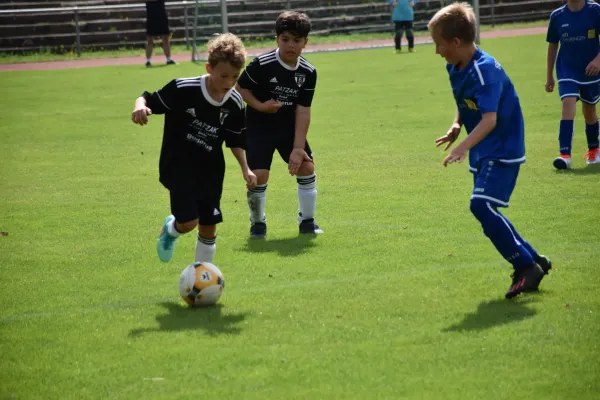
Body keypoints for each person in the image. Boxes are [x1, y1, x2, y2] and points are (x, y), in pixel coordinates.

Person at [428, 2, 552, 299]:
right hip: (483, 147)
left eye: (439, 44)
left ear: (456, 42)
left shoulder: (485, 71)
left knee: (480, 205)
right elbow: (464, 101)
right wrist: (456, 125)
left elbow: (490, 119)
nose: (437, 51)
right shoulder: (455, 65)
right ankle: (534, 260)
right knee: (486, 207)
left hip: (502, 146)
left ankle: (526, 267)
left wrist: (460, 148)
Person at [131, 33, 257, 264]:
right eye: (224, 75)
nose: (229, 82)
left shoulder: (235, 102)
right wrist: (140, 107)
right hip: (179, 164)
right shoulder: (183, 88)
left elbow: (235, 139)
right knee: (189, 223)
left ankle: (202, 276)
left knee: (208, 227)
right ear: (209, 68)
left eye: (235, 77)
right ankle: (171, 230)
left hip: (211, 169)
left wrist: (245, 169)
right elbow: (147, 98)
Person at [236, 11, 323, 239]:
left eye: (296, 40)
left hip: (288, 129)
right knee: (258, 176)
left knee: (306, 167)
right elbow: (241, 88)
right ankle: (257, 224)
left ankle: (307, 222)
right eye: (285, 40)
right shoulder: (262, 64)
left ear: (306, 42)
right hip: (258, 127)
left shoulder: (308, 72)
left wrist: (297, 147)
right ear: (277, 39)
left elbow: (303, 110)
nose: (291, 46)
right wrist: (260, 105)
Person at [546, 0, 600, 169]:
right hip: (567, 69)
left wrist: (598, 61)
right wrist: (549, 76)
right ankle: (565, 155)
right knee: (567, 103)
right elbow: (553, 45)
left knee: (589, 111)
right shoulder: (557, 16)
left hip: (590, 70)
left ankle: (594, 149)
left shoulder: (595, 10)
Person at [145, 0, 176, 67]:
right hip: (151, 15)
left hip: (161, 14)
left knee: (165, 38)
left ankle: (169, 59)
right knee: (150, 39)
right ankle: (148, 61)